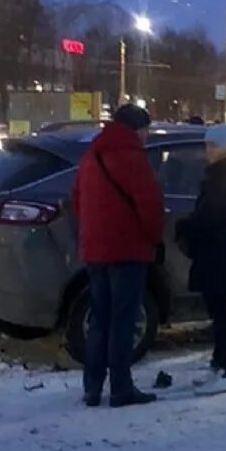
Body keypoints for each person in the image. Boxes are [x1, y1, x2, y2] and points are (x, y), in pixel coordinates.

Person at [72, 104, 163, 408]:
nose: (147, 136)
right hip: (128, 250)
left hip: (95, 251)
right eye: (146, 130)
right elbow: (149, 204)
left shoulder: (92, 154)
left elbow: (77, 199)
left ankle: (92, 388)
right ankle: (121, 388)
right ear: (137, 129)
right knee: (123, 321)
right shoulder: (132, 158)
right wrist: (154, 238)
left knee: (100, 318)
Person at [178, 124, 226, 396]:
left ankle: (225, 367)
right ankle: (219, 363)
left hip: (221, 252)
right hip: (216, 251)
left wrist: (190, 228)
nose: (208, 151)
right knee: (217, 309)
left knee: (222, 311)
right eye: (207, 145)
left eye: (213, 146)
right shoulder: (222, 174)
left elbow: (215, 215)